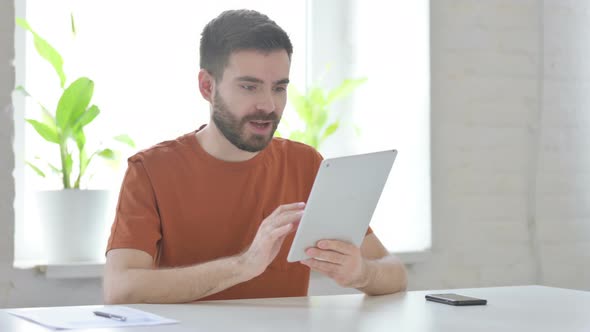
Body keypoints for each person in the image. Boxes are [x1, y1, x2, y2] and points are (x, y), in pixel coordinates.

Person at [103, 9, 407, 304]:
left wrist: (361, 273)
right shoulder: (150, 170)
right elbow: (121, 288)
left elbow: (394, 273)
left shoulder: (306, 164)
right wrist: (244, 265)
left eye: (279, 88)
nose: (268, 104)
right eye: (249, 86)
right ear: (207, 86)